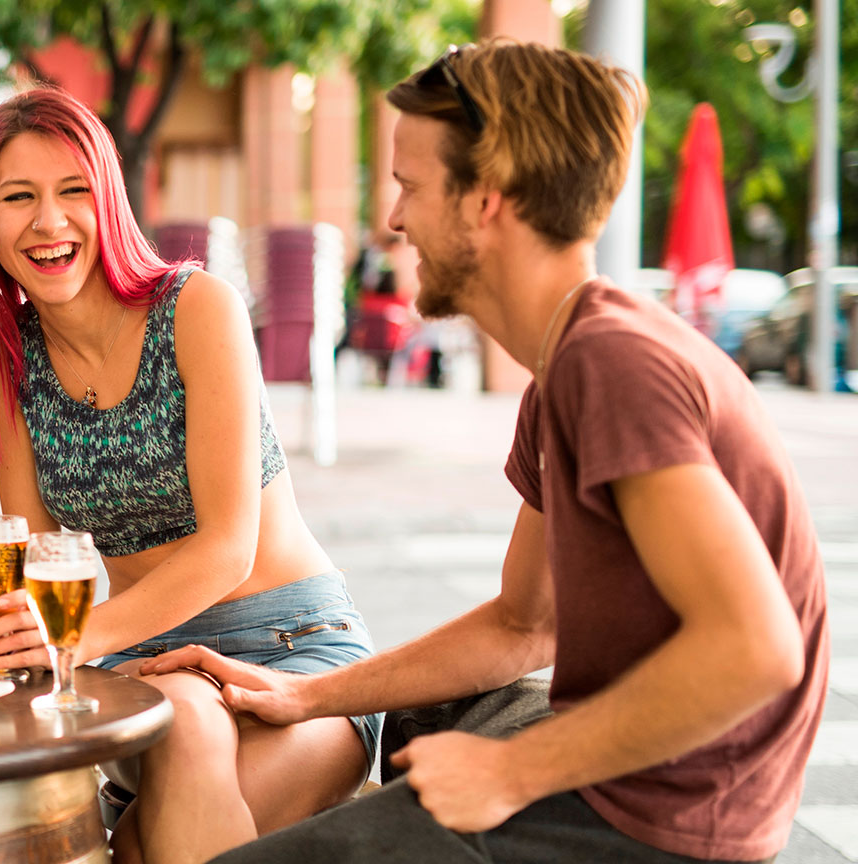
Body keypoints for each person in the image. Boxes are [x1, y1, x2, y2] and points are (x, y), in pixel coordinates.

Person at [153, 41, 826, 864]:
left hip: (663, 820)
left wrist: (510, 773)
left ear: (487, 200)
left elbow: (756, 648)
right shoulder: (567, 364)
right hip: (636, 770)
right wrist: (305, 693)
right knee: (416, 728)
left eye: (409, 187)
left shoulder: (609, 364)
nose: (393, 220)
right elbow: (524, 626)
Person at [0, 87, 378, 863]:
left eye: (74, 191)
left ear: (108, 199)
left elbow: (227, 549)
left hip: (295, 652)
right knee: (172, 727)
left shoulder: (196, 308)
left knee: (143, 845)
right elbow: (42, 570)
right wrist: (9, 631)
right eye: (19, 198)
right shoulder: (12, 363)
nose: (49, 222)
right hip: (144, 663)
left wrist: (64, 636)